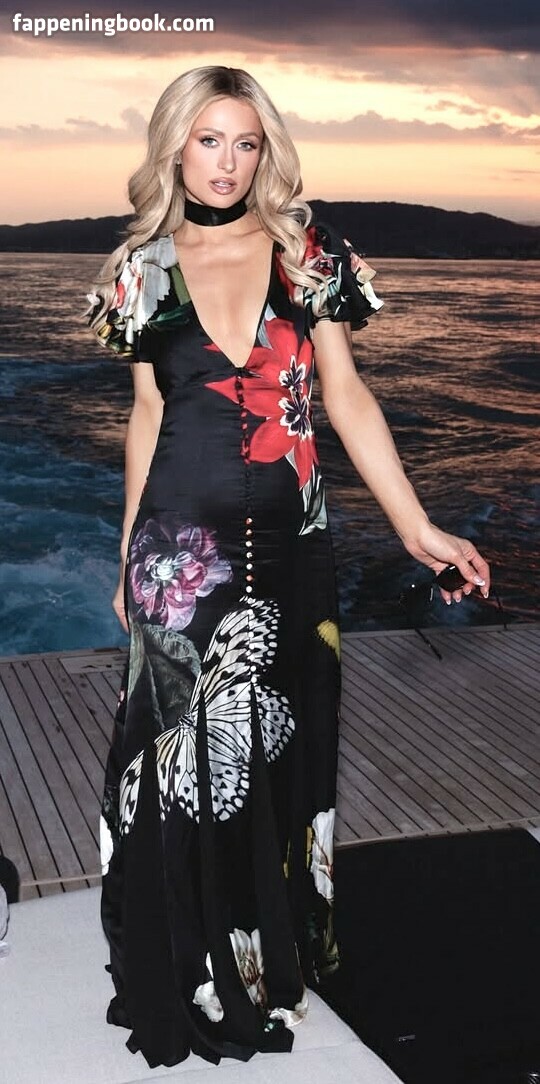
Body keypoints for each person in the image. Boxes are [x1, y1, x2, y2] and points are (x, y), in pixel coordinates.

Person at [86, 65, 490, 1069]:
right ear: (175, 147)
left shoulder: (309, 254)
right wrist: (128, 554)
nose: (227, 162)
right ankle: (180, 967)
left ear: (265, 150)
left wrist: (415, 526)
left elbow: (345, 397)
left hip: (293, 552)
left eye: (246, 141)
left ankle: (261, 964)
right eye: (208, 139)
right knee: (179, 763)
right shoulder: (141, 268)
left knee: (277, 759)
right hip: (180, 556)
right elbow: (147, 416)